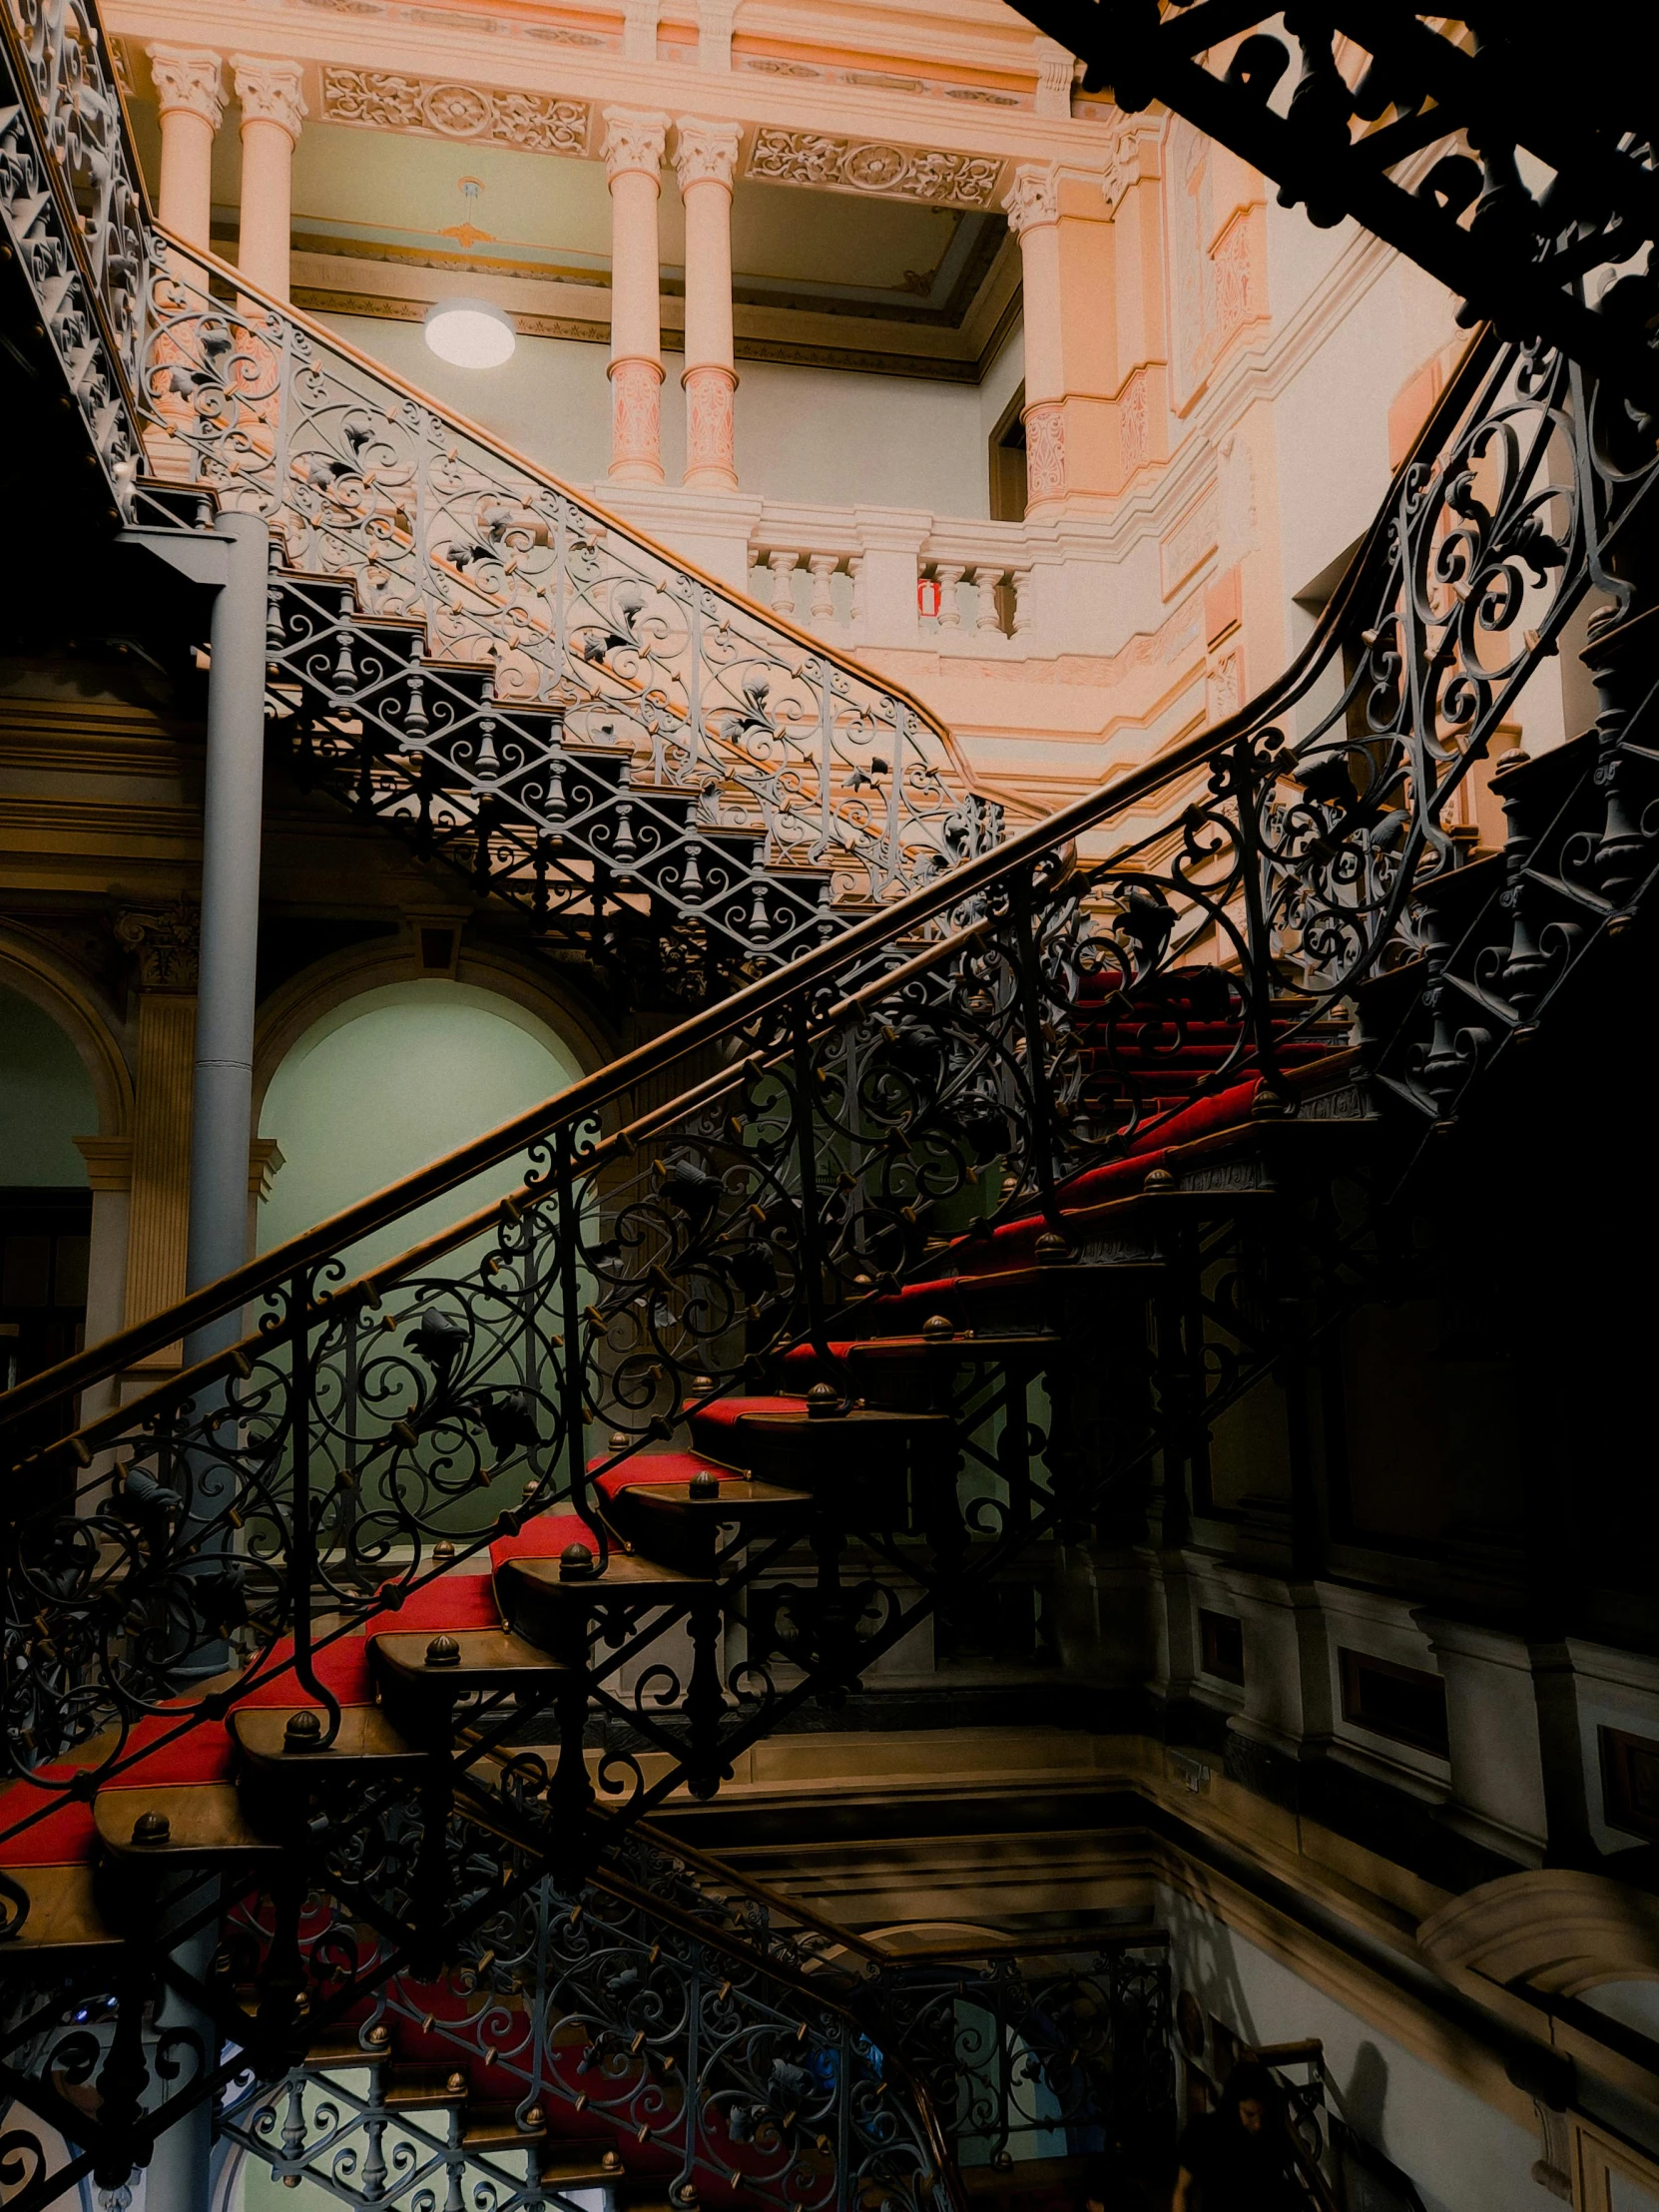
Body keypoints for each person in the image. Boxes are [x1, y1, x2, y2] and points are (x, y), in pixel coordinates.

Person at [1171, 2062, 1300, 2212]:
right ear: (1234, 2106)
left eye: (1263, 2116)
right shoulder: (1205, 2133)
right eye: (1249, 2115)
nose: (1258, 2125)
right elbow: (1182, 2190)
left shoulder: (1271, 2135)